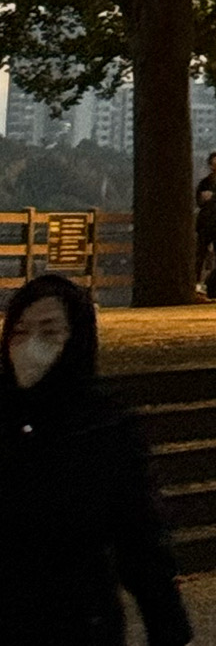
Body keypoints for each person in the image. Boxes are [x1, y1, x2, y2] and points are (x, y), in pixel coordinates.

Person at [4, 271, 193, 646]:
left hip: (76, 617)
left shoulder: (104, 424)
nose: (30, 346)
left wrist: (168, 627)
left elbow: (140, 535)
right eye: (20, 332)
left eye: (50, 331)